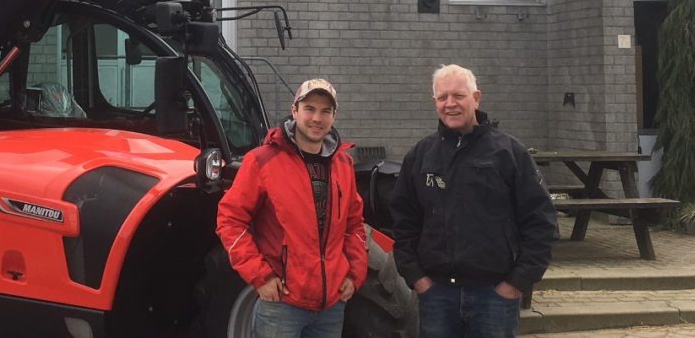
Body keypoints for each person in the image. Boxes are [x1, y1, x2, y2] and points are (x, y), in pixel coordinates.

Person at [390, 64, 558, 338]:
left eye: (458, 95)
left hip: (494, 297)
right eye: (443, 97)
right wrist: (417, 279)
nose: (450, 104)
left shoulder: (509, 153)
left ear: (476, 97)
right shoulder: (420, 156)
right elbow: (403, 221)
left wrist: (517, 283)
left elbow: (541, 222)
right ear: (434, 102)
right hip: (436, 296)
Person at [216, 78, 368, 338]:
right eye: (309, 108)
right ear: (295, 110)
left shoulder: (343, 164)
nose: (316, 118)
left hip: (331, 306)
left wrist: (354, 274)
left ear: (334, 116)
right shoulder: (262, 161)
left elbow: (354, 225)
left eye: (325, 111)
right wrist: (260, 276)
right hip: (283, 304)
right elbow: (230, 221)